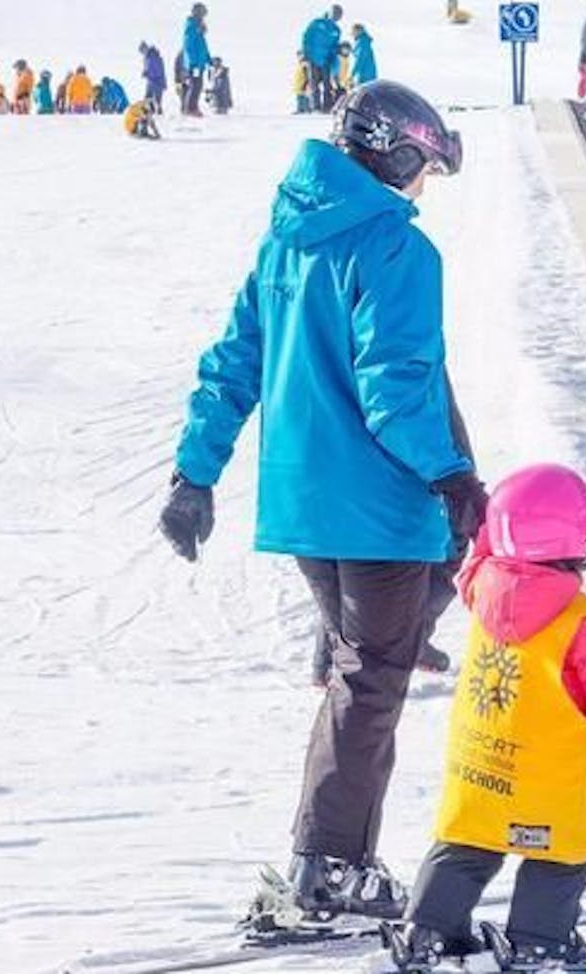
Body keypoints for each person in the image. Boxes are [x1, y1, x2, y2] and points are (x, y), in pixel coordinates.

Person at [158, 79, 476, 928]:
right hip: (379, 509)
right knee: (369, 689)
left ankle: (341, 841)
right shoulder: (396, 250)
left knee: (365, 670)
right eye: (423, 168)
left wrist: (195, 474)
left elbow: (232, 362)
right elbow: (394, 388)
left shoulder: (285, 242)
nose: (422, 188)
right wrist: (450, 475)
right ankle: (330, 867)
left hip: (307, 510)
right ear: (398, 155)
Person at [387, 464, 586, 970]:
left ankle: (428, 928)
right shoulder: (584, 621)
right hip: (550, 779)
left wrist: (494, 528)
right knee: (563, 858)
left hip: (482, 766)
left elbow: (478, 557)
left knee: (466, 845)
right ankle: (539, 938)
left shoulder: (481, 589)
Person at [302, 7, 342, 113]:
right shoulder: (316, 23)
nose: (336, 17)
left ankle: (327, 107)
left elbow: (334, 46)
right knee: (314, 83)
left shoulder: (336, 29)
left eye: (338, 16)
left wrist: (334, 57)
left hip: (326, 60)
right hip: (313, 59)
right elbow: (306, 38)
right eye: (335, 14)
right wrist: (306, 54)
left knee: (327, 84)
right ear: (329, 13)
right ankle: (316, 107)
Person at [181, 2, 212, 117]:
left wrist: (209, 60)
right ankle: (190, 109)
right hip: (194, 64)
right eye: (202, 15)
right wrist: (193, 63)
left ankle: (193, 107)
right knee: (195, 85)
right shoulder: (191, 27)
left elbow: (203, 48)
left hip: (199, 64)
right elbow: (188, 47)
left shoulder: (198, 30)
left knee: (198, 85)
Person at [140, 42, 167, 113]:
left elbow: (158, 70)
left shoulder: (153, 56)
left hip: (157, 82)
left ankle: (158, 112)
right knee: (148, 98)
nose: (143, 53)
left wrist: (147, 73)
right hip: (151, 82)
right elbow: (149, 68)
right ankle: (151, 111)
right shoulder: (147, 57)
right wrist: (145, 72)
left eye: (142, 50)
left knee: (156, 99)